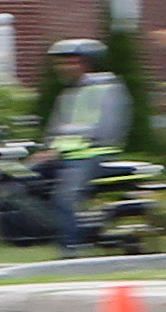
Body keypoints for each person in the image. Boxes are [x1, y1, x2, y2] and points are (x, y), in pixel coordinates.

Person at [33, 39, 131, 259]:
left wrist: (61, 151)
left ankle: (71, 250)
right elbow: (55, 131)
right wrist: (43, 150)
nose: (64, 68)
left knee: (65, 197)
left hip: (92, 155)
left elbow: (106, 130)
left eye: (72, 62)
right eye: (61, 63)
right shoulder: (67, 95)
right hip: (65, 156)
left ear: (88, 64)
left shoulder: (107, 90)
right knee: (24, 182)